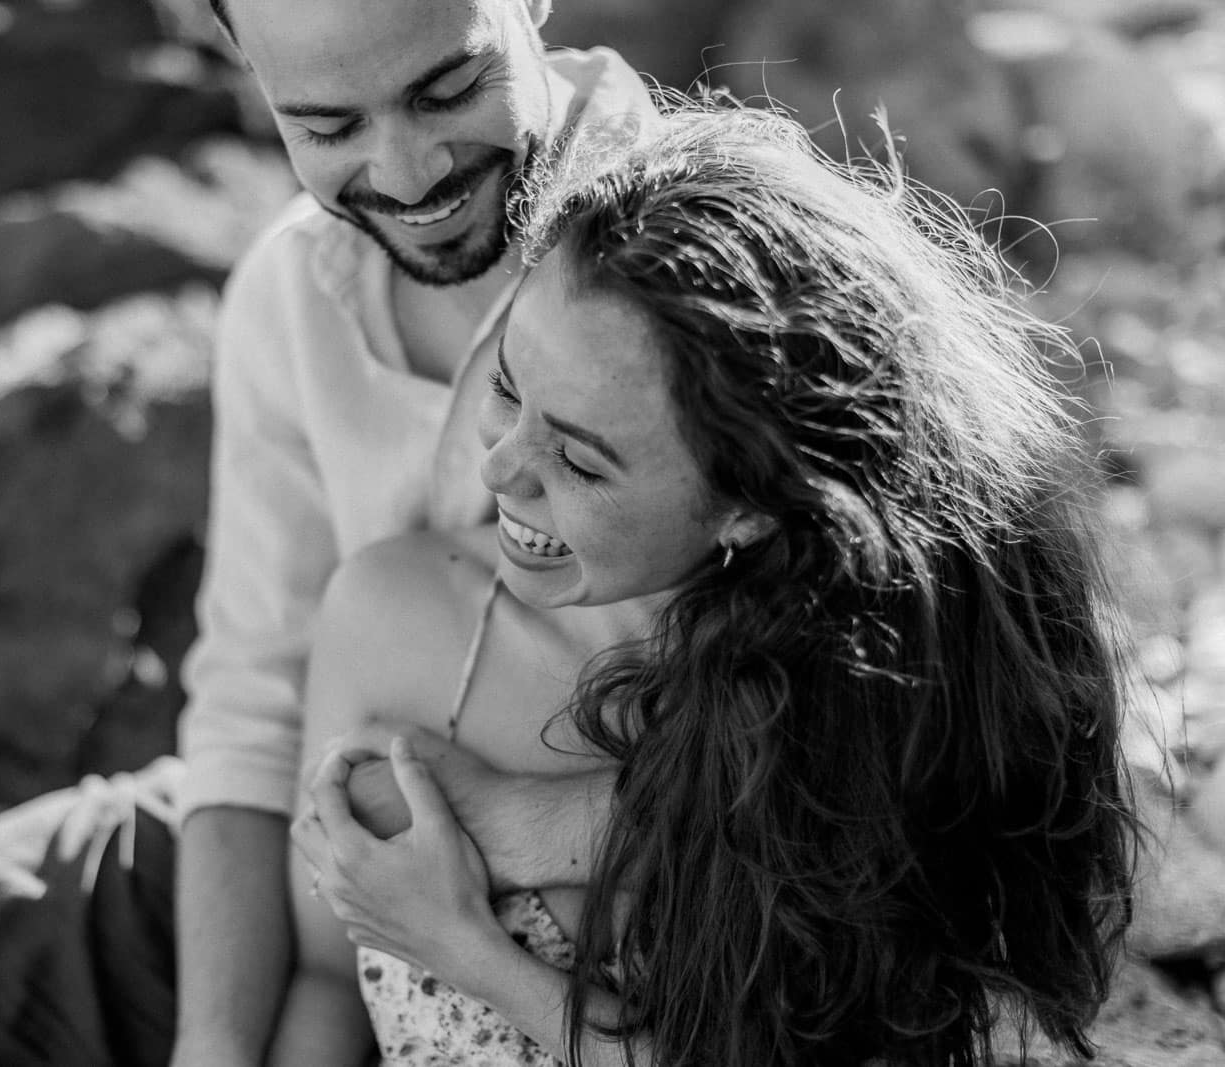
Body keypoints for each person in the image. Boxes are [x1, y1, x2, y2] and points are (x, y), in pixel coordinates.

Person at [0, 0, 652, 1063]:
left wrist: (507, 846)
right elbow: (253, 708)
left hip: (610, 871)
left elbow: (845, 747)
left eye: (447, 90)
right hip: (325, 833)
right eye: (326, 128)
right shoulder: (290, 291)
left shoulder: (703, 268)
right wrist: (215, 1045)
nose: (407, 173)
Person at [281, 101, 1138, 1066]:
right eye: (511, 386)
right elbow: (320, 984)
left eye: (581, 461)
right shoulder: (394, 617)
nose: (500, 471)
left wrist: (469, 947)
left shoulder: (896, 730)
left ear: (751, 505)